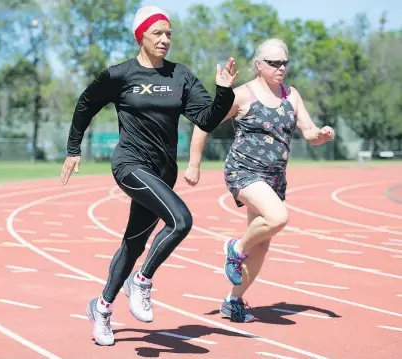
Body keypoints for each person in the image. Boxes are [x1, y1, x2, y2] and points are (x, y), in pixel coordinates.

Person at [60, 5, 238, 346]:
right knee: (181, 220)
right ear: (140, 35)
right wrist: (73, 148)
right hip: (129, 164)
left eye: (169, 33)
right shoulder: (120, 75)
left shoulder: (180, 76)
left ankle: (102, 307)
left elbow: (206, 119)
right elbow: (85, 104)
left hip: (162, 171)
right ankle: (141, 281)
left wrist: (224, 91)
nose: (165, 39)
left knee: (134, 242)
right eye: (157, 33)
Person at [184, 38, 335, 323]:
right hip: (243, 171)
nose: (280, 68)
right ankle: (236, 248)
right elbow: (204, 120)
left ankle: (233, 300)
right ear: (258, 65)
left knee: (263, 244)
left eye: (284, 63)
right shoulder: (243, 95)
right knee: (277, 218)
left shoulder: (292, 95)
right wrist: (194, 163)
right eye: (274, 63)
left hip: (274, 179)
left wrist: (322, 135)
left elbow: (309, 132)